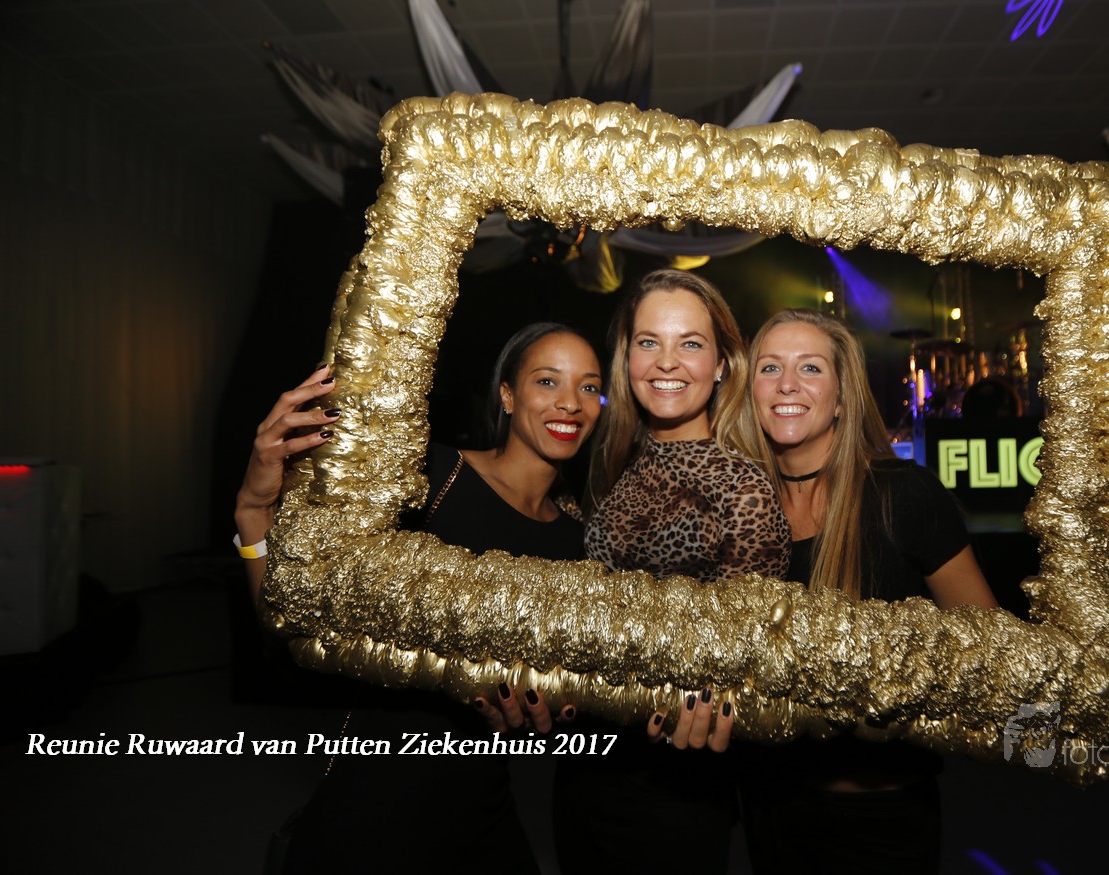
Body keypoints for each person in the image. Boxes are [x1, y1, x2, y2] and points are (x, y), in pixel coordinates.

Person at [728, 309, 1109, 873]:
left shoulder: (901, 495)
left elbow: (996, 655)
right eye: (770, 367)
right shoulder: (737, 504)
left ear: (842, 397)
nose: (787, 384)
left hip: (874, 817)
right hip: (765, 802)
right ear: (750, 389)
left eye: (810, 368)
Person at [235, 323, 603, 873]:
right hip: (371, 810)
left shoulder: (578, 543)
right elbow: (289, 618)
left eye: (589, 387)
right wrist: (252, 511)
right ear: (506, 395)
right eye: (547, 381)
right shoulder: (431, 475)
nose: (570, 402)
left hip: (482, 810)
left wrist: (546, 711)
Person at [552, 268, 793, 874]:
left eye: (690, 343)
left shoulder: (742, 489)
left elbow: (748, 654)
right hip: (584, 769)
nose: (666, 362)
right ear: (627, 358)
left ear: (721, 365)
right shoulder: (612, 463)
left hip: (675, 783)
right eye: (648, 342)